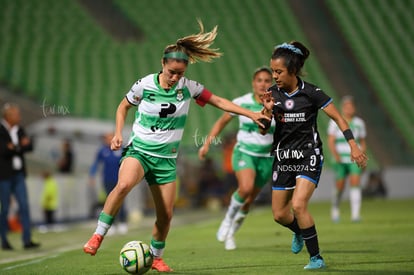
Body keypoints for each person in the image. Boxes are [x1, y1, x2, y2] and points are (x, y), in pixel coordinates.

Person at [82, 20, 269, 272]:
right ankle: (98, 235)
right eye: (171, 71)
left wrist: (252, 114)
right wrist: (118, 132)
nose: (175, 77)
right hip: (140, 151)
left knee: (166, 215)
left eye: (180, 73)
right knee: (124, 184)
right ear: (163, 64)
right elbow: (123, 106)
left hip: (166, 160)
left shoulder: (188, 88)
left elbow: (220, 101)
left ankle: (156, 257)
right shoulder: (145, 85)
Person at [261, 41, 367, 270]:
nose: (274, 76)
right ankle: (300, 231)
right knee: (279, 214)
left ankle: (316, 258)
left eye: (278, 71)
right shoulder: (272, 94)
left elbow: (339, 118)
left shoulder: (312, 93)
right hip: (283, 157)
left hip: (309, 154)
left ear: (293, 70)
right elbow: (263, 128)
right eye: (272, 71)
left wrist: (353, 145)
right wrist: (267, 112)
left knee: (299, 206)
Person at [198, 66, 274, 250]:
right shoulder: (242, 102)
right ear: (253, 83)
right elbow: (222, 121)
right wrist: (207, 143)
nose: (263, 84)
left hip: (266, 157)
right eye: (259, 80)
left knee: (248, 202)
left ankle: (231, 233)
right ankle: (227, 219)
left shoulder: (277, 105)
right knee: (245, 188)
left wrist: (269, 111)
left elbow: (265, 130)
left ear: (271, 84)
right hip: (244, 152)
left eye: (266, 80)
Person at [0, 103, 40, 250]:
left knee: (24, 206)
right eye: (16, 114)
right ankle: (4, 240)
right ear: (8, 116)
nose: (19, 117)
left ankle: (27, 239)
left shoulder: (19, 129)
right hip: (4, 176)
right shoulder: (1, 129)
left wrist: (13, 147)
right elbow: (3, 150)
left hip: (19, 174)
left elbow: (29, 147)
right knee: (4, 209)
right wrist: (19, 146)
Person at [327, 96, 367, 222]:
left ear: (354, 108)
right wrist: (336, 155)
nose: (349, 109)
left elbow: (362, 142)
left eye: (351, 106)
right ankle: (335, 210)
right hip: (340, 159)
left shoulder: (359, 123)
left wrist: (362, 155)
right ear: (342, 108)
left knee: (355, 183)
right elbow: (331, 141)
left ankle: (355, 215)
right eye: (346, 106)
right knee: (340, 186)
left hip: (354, 159)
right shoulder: (335, 122)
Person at [89, 132, 127, 234]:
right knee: (110, 202)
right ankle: (112, 224)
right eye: (105, 138)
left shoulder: (121, 148)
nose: (107, 139)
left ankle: (123, 222)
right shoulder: (102, 150)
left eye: (109, 137)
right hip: (107, 180)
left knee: (120, 201)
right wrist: (92, 175)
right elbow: (96, 163)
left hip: (120, 180)